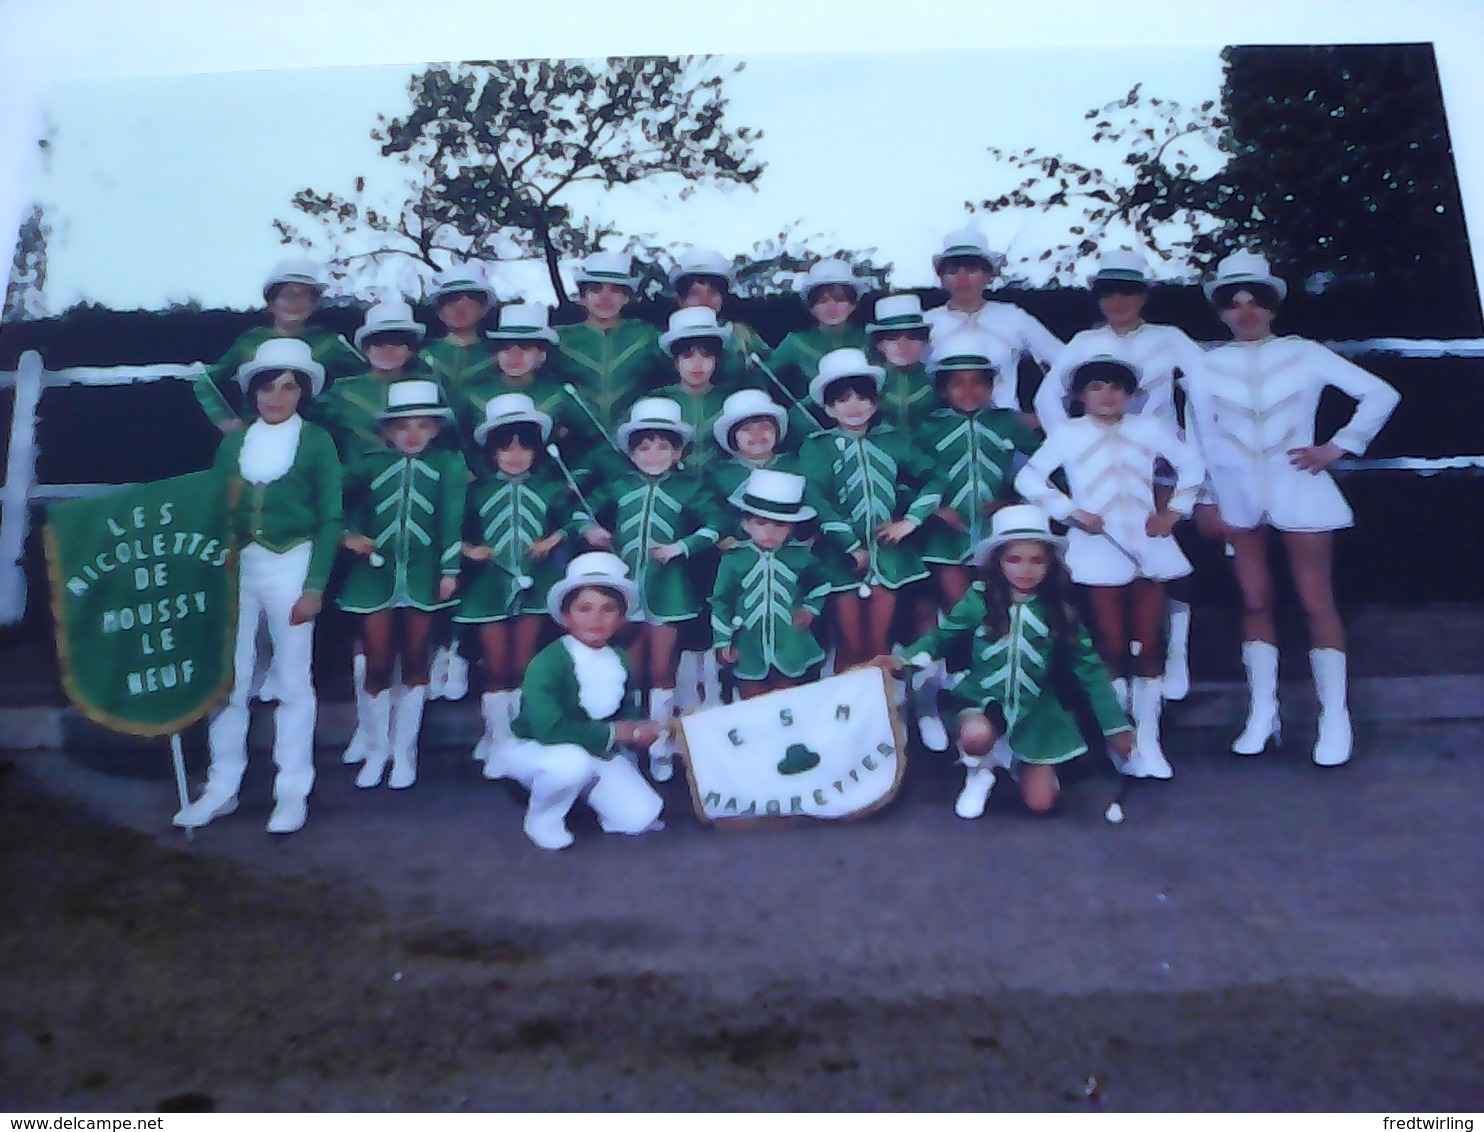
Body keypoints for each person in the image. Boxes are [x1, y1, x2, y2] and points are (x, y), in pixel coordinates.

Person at [1185, 250, 1400, 767]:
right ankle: (1263, 713)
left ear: (1273, 306)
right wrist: (1204, 499)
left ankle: (1335, 717)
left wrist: (1337, 446)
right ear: (1221, 312)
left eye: (1255, 300)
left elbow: (1380, 394)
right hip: (1237, 492)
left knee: (1315, 601)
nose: (1245, 311)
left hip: (1299, 487)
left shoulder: (1305, 353)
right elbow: (1198, 439)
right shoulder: (1203, 366)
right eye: (1233, 303)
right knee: (1255, 601)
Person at [173, 338, 343, 834]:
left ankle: (292, 790)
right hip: (239, 565)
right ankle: (223, 786)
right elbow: (216, 505)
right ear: (253, 393)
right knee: (230, 678)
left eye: (288, 387)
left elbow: (331, 517)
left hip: (292, 560)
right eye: (267, 387)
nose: (276, 397)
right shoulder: (234, 443)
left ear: (302, 393)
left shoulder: (316, 442)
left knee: (293, 679)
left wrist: (314, 586)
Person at [1015, 356, 1204, 779]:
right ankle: (1124, 740)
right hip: (1099, 545)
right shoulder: (1068, 434)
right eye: (1096, 387)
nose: (1107, 396)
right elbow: (1028, 479)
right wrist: (1071, 512)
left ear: (1131, 395)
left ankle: (1151, 741)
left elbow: (1192, 465)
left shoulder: (1149, 428)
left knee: (1149, 643)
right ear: (1080, 395)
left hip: (1149, 543)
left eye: (1117, 388)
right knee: (1112, 647)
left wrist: (1175, 512)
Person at [1032, 248, 1208, 699]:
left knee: (1162, 559)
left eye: (1129, 291)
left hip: (1160, 457)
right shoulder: (1085, 342)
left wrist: (1194, 440)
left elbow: (1205, 388)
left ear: (1145, 294)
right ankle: (1123, 703)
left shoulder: (1169, 337)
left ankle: (1175, 655)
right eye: (1110, 292)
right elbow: (1047, 398)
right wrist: (1078, 446)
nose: (1119, 301)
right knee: (1114, 568)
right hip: (1104, 466)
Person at [884, 505, 1133, 820]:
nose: (1025, 570)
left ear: (1050, 564)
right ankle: (979, 772)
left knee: (1041, 804)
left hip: (1036, 713)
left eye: (1036, 560)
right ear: (997, 562)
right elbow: (943, 637)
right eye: (1014, 560)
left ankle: (1016, 758)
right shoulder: (980, 600)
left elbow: (1091, 672)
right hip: (982, 702)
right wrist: (906, 658)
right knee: (976, 735)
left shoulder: (1059, 611)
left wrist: (1115, 726)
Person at [581, 397, 725, 783]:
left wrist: (682, 547)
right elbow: (579, 510)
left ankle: (660, 747)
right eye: (644, 446)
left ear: (678, 451)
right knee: (629, 669)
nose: (653, 454)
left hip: (670, 588)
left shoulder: (689, 487)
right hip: (624, 586)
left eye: (663, 445)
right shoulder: (617, 485)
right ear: (631, 452)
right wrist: (590, 530)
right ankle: (625, 747)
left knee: (663, 669)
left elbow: (715, 525)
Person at [912, 332, 1043, 751]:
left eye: (978, 382)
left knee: (995, 615)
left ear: (992, 385)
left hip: (996, 538)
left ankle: (1000, 706)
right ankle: (953, 705)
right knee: (958, 616)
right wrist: (934, 508)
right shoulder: (927, 426)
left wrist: (1012, 499)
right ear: (943, 388)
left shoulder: (1006, 422)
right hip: (944, 539)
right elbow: (910, 474)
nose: (968, 391)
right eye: (957, 382)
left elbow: (1046, 466)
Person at [336, 381, 467, 790]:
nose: (412, 434)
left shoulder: (448, 466)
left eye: (422, 425)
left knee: (415, 661)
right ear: (388, 432)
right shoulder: (367, 464)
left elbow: (451, 519)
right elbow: (330, 501)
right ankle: (376, 749)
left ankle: (404, 754)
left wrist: (449, 570)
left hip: (424, 576)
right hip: (372, 576)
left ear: (436, 430)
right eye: (402, 426)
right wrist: (347, 534)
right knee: (375, 662)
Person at [486, 552, 666, 851]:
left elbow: (625, 707)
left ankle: (587, 798)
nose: (596, 619)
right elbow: (548, 729)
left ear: (621, 617)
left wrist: (641, 728)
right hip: (539, 747)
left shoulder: (621, 658)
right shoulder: (548, 662)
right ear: (566, 616)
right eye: (584, 609)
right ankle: (542, 817)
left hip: (590, 746)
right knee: (571, 764)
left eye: (608, 609)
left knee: (639, 817)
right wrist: (616, 733)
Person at [457, 393, 591, 767]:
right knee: (496, 664)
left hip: (536, 582)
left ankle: (517, 737)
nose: (515, 455)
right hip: (488, 586)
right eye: (505, 448)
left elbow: (576, 519)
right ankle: (498, 740)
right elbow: (452, 529)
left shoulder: (549, 487)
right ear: (492, 452)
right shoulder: (476, 490)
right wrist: (470, 550)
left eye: (524, 447)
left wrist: (554, 538)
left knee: (522, 663)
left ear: (537, 450)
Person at [796, 348, 941, 674]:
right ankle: (846, 717)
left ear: (875, 403)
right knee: (849, 645)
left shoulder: (894, 440)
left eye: (862, 398)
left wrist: (911, 521)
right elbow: (816, 498)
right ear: (829, 407)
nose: (854, 407)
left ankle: (884, 715)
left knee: (878, 645)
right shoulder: (817, 446)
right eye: (843, 400)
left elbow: (935, 478)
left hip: (888, 555)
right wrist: (851, 545)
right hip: (838, 556)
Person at [419, 266, 500, 703]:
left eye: (471, 299)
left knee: (488, 560)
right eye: (451, 300)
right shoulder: (423, 354)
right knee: (444, 558)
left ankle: (469, 651)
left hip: (493, 472)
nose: (461, 308)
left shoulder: (499, 353)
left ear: (485, 306)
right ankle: (442, 650)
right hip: (437, 471)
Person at [189, 257, 363, 433]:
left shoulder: (329, 342)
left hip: (317, 435)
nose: (295, 302)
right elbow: (206, 381)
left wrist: (337, 410)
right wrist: (224, 419)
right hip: (258, 433)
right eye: (287, 295)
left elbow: (366, 379)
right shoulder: (250, 341)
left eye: (304, 295)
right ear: (271, 302)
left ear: (314, 303)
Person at [449, 301, 616, 484]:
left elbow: (597, 442)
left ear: (542, 356)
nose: (514, 355)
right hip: (485, 493)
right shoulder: (471, 395)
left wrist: (575, 477)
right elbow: (452, 442)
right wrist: (470, 474)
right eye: (506, 347)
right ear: (495, 354)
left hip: (548, 493)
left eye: (526, 347)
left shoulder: (561, 395)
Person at [711, 468, 832, 697]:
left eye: (779, 525)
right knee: (753, 700)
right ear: (746, 524)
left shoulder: (800, 556)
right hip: (748, 643)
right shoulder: (734, 559)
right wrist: (722, 641)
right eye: (761, 523)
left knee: (789, 697)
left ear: (791, 527)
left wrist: (810, 608)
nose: (770, 531)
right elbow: (721, 601)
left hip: (790, 641)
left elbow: (822, 582)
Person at [923, 227, 1062, 418]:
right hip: (943, 434)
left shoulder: (1013, 317)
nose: (962, 278)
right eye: (953, 270)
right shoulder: (927, 322)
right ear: (941, 277)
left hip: (1005, 430)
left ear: (988, 274)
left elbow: (1065, 363)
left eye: (971, 269)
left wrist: (1043, 414)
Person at [554, 251, 667, 431]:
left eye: (615, 290)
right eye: (596, 289)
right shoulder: (560, 340)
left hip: (637, 440)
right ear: (582, 297)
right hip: (577, 441)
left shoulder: (646, 336)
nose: (605, 297)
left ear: (627, 297)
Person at [317, 299, 431, 465]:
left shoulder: (430, 388)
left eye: (398, 341)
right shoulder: (339, 393)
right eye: (378, 342)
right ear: (365, 348)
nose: (388, 349)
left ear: (411, 348)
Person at [668, 247, 771, 392]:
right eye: (695, 294)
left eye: (713, 292)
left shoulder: (741, 335)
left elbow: (770, 370)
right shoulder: (665, 339)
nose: (705, 300)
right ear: (680, 300)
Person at [770, 258, 871, 400]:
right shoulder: (795, 342)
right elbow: (764, 377)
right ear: (811, 307)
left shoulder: (869, 339)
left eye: (840, 298)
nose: (831, 306)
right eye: (822, 300)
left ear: (853, 304)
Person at [420, 265, 501, 404]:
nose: (460, 311)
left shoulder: (497, 354)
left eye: (469, 305)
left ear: (484, 310)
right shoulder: (424, 355)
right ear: (439, 312)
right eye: (451, 304)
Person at [865, 293, 937, 435]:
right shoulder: (867, 384)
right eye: (892, 337)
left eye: (913, 336)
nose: (903, 345)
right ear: (879, 344)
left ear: (925, 341)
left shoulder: (938, 382)